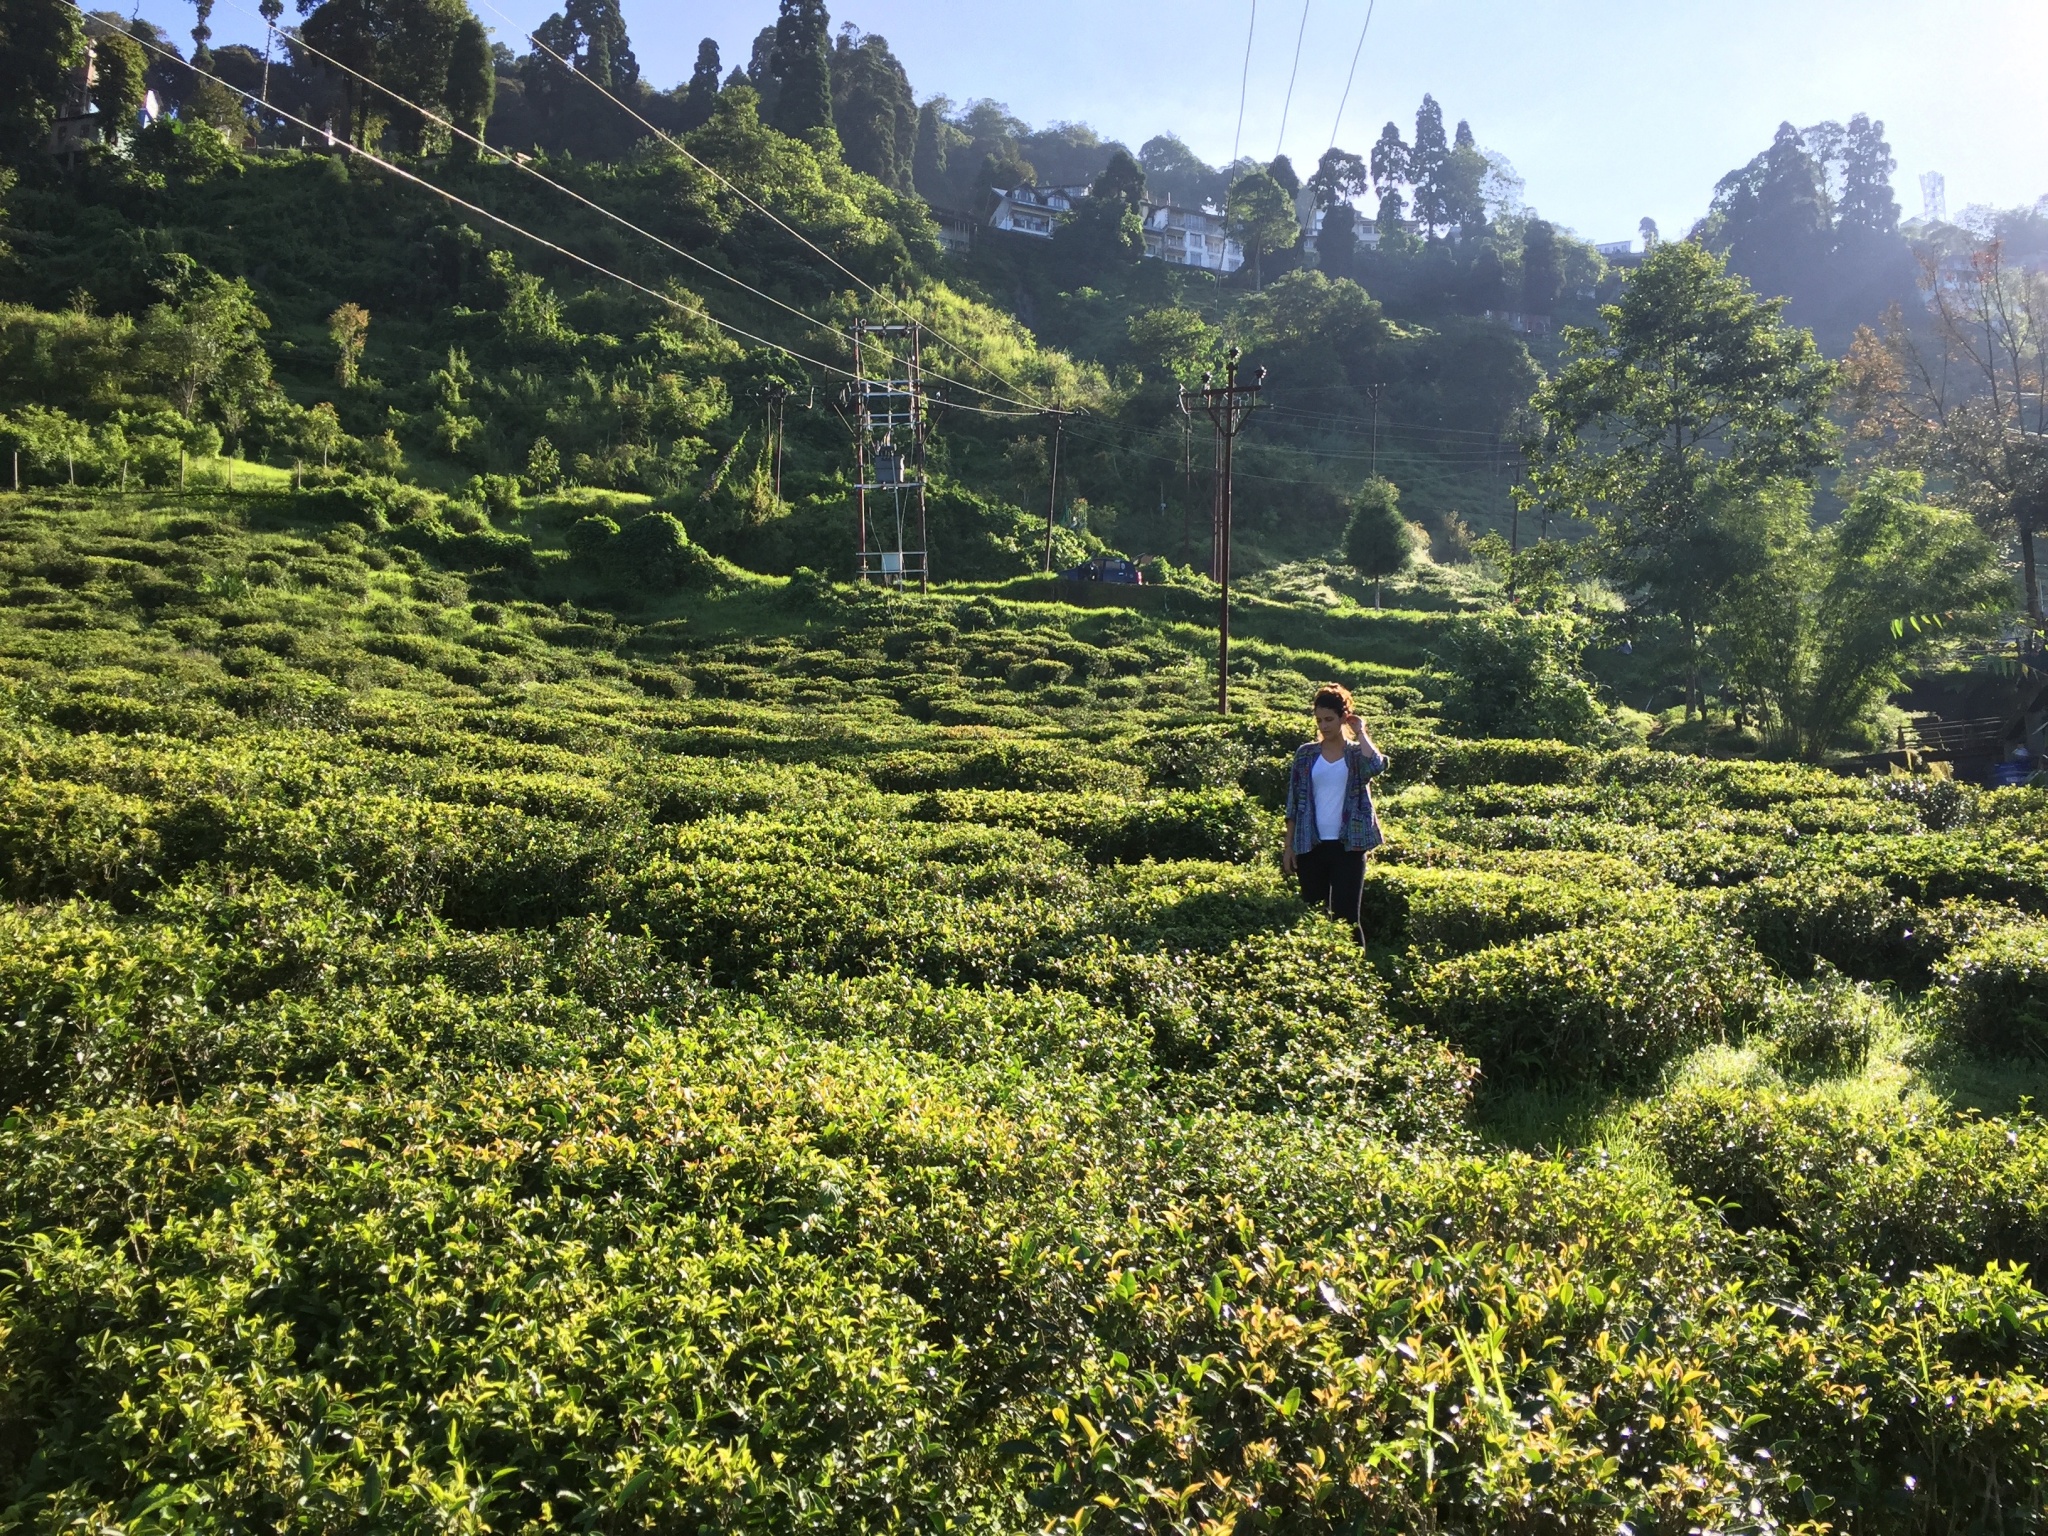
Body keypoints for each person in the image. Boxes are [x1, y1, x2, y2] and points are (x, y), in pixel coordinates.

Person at [1281, 683, 1388, 942]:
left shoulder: (1355, 755)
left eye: (1329, 719)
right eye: (1319, 720)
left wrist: (1360, 731)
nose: (1324, 726)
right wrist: (1289, 846)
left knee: (1348, 919)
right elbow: (1294, 801)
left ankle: (1357, 977)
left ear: (1343, 717)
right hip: (1311, 845)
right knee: (1313, 917)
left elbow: (1376, 766)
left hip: (1348, 846)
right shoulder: (1306, 755)